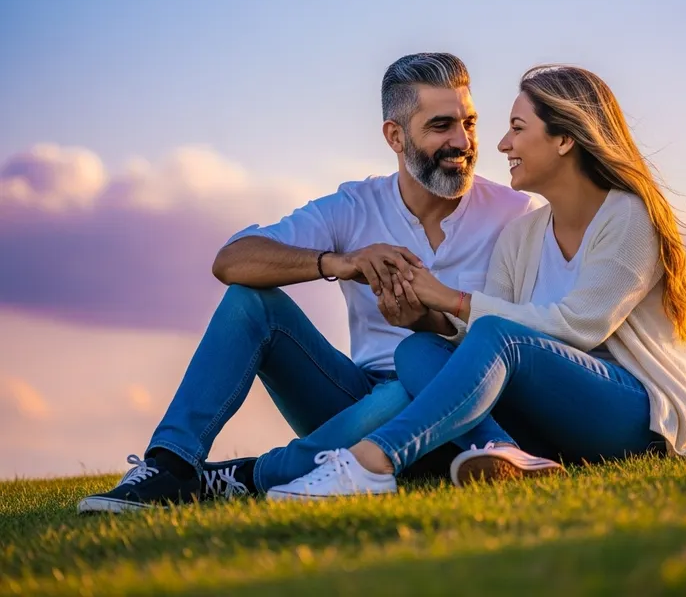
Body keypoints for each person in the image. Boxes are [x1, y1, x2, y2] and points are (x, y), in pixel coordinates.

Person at [78, 53, 537, 513]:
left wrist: (431, 322)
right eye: (441, 126)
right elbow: (232, 260)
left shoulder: (514, 214)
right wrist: (341, 262)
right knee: (250, 303)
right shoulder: (355, 206)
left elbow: (528, 337)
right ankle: (170, 465)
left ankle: (250, 476)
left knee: (407, 389)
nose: (462, 141)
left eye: (469, 122)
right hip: (355, 401)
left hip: (465, 408)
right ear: (395, 136)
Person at [264, 64, 686, 500]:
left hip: (636, 417)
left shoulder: (629, 216)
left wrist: (449, 298)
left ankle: (372, 461)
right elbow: (484, 342)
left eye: (517, 128)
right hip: (552, 420)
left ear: (564, 139)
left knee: (496, 334)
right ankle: (501, 449)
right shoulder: (522, 234)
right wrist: (427, 317)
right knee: (416, 349)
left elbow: (578, 326)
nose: (502, 145)